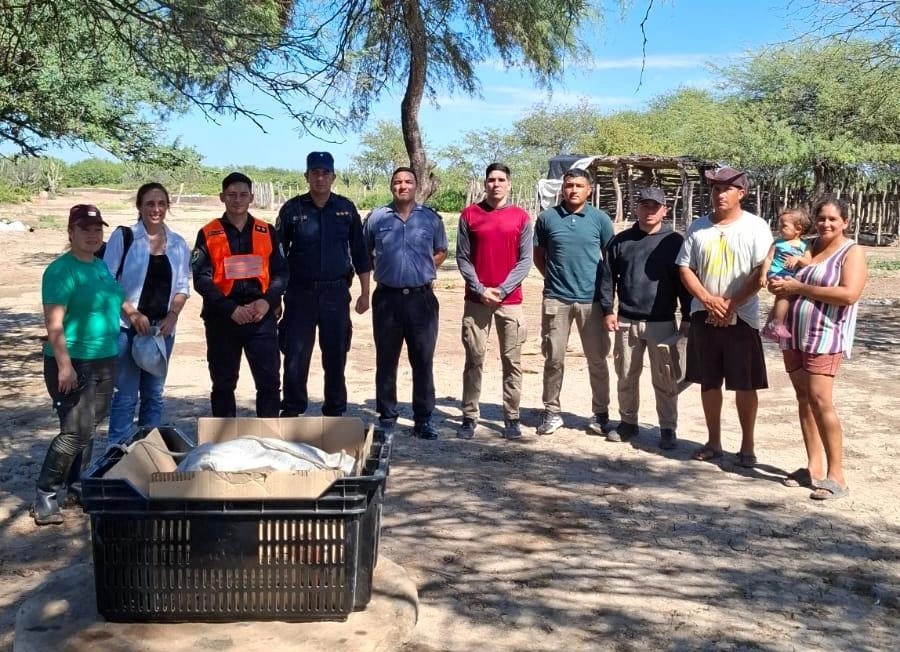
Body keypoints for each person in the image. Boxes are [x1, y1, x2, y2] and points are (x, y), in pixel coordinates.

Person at [768, 196, 866, 500]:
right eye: (822, 218)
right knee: (804, 398)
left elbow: (848, 294)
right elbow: (785, 276)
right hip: (794, 334)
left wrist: (800, 288)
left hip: (825, 336)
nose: (826, 224)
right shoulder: (808, 246)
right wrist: (778, 285)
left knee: (821, 400)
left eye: (833, 220)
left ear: (845, 223)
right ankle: (813, 467)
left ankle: (837, 475)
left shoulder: (853, 252)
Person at [33, 205, 124, 525]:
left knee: (89, 429)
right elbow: (53, 323)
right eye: (85, 228)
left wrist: (134, 314)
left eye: (98, 228)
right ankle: (46, 494)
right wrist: (64, 366)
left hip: (105, 357)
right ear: (70, 231)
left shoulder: (100, 267)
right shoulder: (61, 271)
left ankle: (75, 486)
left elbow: (115, 297)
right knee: (75, 430)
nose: (93, 234)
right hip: (73, 361)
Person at [677, 166, 773, 467]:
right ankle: (714, 441)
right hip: (704, 315)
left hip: (742, 317)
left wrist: (731, 304)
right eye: (716, 189)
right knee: (708, 382)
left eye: (727, 189)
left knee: (745, 384)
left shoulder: (756, 227)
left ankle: (747, 446)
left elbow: (761, 272)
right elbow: (685, 268)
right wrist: (706, 299)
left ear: (741, 193)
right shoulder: (697, 228)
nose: (720, 194)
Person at [276, 152, 371, 417]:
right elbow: (278, 256)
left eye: (325, 173)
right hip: (299, 293)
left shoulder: (346, 209)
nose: (320, 178)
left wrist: (365, 292)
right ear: (306, 176)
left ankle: (335, 410)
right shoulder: (292, 209)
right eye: (315, 173)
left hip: (335, 292)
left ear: (333, 176)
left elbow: (360, 253)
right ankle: (293, 409)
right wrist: (275, 298)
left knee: (336, 354)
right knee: (295, 355)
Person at [598, 186, 692, 449]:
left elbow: (685, 281)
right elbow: (606, 278)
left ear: (665, 209)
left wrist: (687, 315)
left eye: (655, 206)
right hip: (627, 320)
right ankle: (628, 423)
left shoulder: (674, 242)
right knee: (626, 375)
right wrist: (608, 310)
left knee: (665, 379)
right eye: (645, 205)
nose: (649, 211)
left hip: (662, 321)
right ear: (636, 207)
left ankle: (667, 428)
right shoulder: (621, 241)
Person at [191, 172, 288, 417]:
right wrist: (230, 309)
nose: (237, 200)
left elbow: (281, 273)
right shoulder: (208, 233)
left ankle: (268, 440)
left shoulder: (266, 230)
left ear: (252, 198)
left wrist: (267, 302)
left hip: (260, 318)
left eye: (243, 195)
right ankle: (224, 445)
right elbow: (201, 279)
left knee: (269, 384)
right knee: (223, 385)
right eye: (232, 195)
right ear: (222, 197)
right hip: (223, 319)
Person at [363, 167, 449, 439]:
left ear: (416, 185)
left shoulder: (430, 218)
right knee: (386, 360)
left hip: (421, 300)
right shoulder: (377, 218)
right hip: (387, 299)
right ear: (391, 187)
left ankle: (423, 419)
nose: (403, 186)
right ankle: (387, 416)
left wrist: (421, 269)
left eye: (408, 181)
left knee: (422, 360)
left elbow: (441, 250)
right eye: (398, 182)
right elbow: (364, 252)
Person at [104, 183, 191, 447]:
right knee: (126, 395)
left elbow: (183, 286)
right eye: (150, 204)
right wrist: (131, 313)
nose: (156, 209)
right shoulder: (125, 237)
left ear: (168, 206)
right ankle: (117, 454)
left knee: (154, 394)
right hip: (128, 329)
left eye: (161, 204)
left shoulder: (177, 243)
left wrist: (173, 315)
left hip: (160, 333)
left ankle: (149, 452)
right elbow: (107, 279)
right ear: (139, 207)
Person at [533, 167, 614, 436]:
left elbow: (609, 261)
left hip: (591, 301)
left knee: (597, 359)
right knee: (553, 358)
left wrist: (607, 300)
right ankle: (552, 412)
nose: (573, 190)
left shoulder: (600, 220)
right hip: (556, 300)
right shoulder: (547, 218)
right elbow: (539, 256)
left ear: (589, 190)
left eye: (579, 185)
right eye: (569, 185)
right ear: (562, 188)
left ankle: (600, 413)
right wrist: (554, 281)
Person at [456, 163, 533, 441]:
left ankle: (511, 417)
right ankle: (469, 415)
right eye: (491, 180)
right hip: (476, 302)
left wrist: (501, 289)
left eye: (501, 180)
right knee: (474, 359)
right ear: (484, 184)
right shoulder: (470, 215)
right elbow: (463, 257)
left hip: (510, 301)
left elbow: (526, 261)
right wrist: (479, 289)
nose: (496, 184)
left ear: (509, 185)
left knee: (512, 361)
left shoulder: (521, 218)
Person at [760, 208, 812, 340]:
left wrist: (798, 259)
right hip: (777, 272)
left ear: (798, 229)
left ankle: (768, 327)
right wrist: (763, 274)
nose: (780, 229)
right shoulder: (778, 243)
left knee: (780, 299)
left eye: (784, 226)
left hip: (791, 276)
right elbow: (768, 259)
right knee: (784, 296)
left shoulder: (805, 245)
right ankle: (778, 324)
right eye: (779, 225)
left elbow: (808, 262)